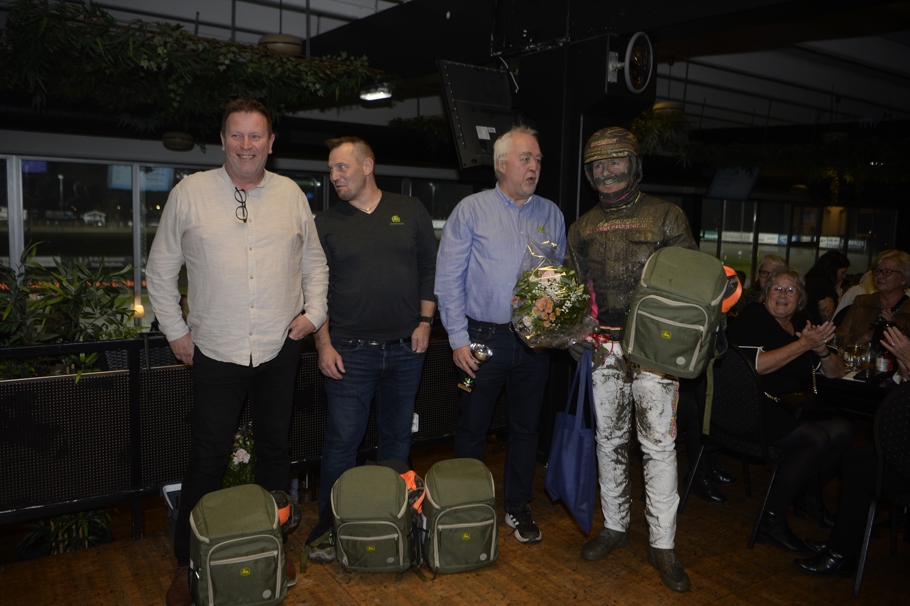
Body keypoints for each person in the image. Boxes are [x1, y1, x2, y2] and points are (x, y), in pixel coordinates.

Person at [146, 98, 329, 606]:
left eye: (256, 136)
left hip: (279, 347)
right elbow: (159, 271)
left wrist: (314, 314)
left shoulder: (291, 195)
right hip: (214, 350)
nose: (246, 145)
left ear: (271, 143)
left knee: (275, 455)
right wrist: (176, 332)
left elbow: (315, 263)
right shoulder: (189, 193)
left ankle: (273, 550)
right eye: (236, 135)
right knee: (206, 459)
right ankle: (188, 564)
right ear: (223, 140)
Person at [566, 127, 696, 593]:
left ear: (634, 164)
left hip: (655, 349)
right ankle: (615, 527)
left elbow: (690, 287)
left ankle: (663, 545)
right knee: (608, 441)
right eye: (597, 165)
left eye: (615, 161)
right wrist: (571, 332)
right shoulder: (581, 227)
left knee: (659, 445)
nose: (606, 171)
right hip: (604, 348)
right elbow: (573, 290)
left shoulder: (667, 216)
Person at [305, 136, 437, 561]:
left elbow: (428, 270)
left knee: (397, 443)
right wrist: (323, 345)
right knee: (342, 444)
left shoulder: (410, 210)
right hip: (349, 351)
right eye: (330, 169)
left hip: (406, 349)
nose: (334, 176)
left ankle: (390, 522)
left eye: (341, 167)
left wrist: (426, 322)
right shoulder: (325, 222)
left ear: (367, 166)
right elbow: (315, 290)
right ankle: (331, 530)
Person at [435, 125, 565, 545]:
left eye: (538, 160)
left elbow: (557, 278)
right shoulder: (471, 210)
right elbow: (448, 279)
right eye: (526, 158)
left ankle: (518, 505)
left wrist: (549, 306)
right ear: (501, 164)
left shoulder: (552, 214)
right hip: (480, 339)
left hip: (534, 343)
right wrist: (458, 339)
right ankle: (466, 506)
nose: (534, 167)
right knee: (472, 426)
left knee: (527, 429)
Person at [727, 268, 855, 554]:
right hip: (751, 405)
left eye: (790, 290)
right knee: (816, 438)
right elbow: (756, 367)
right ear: (765, 294)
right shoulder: (753, 316)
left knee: (844, 430)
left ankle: (809, 499)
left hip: (790, 405)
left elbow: (836, 372)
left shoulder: (802, 322)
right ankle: (771, 520)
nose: (782, 295)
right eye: (776, 288)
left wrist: (821, 349)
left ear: (800, 299)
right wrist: (803, 344)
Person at [836, 250, 910, 346]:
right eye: (877, 271)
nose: (879, 276)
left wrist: (894, 329)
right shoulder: (861, 302)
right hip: (858, 355)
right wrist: (864, 338)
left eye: (887, 272)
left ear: (904, 278)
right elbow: (838, 339)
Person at [804, 250, 850, 325]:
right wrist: (837, 293)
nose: (844, 277)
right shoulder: (825, 289)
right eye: (842, 273)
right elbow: (828, 322)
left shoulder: (808, 280)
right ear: (833, 270)